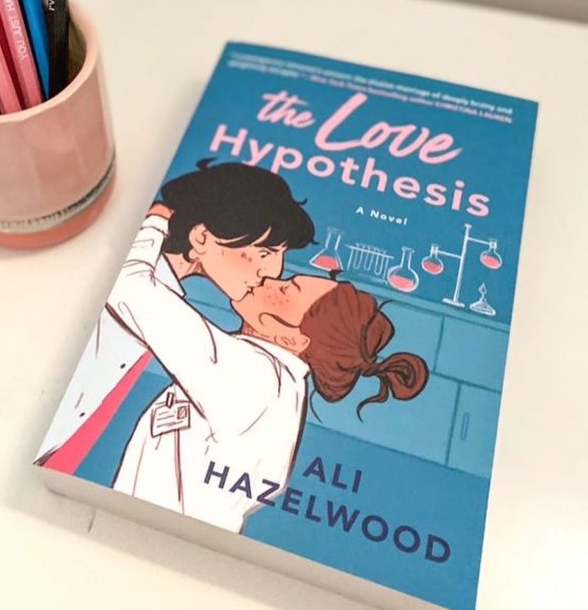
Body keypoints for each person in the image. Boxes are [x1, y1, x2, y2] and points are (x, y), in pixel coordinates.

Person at [107, 207, 429, 534]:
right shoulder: (275, 381)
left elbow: (127, 288)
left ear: (293, 338)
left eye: (286, 290)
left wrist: (157, 220)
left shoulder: (252, 375)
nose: (269, 280)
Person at [37, 161, 315, 470]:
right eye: (265, 253)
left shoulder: (161, 294)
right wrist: (155, 222)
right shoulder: (131, 281)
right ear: (202, 237)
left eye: (280, 255)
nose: (273, 271)